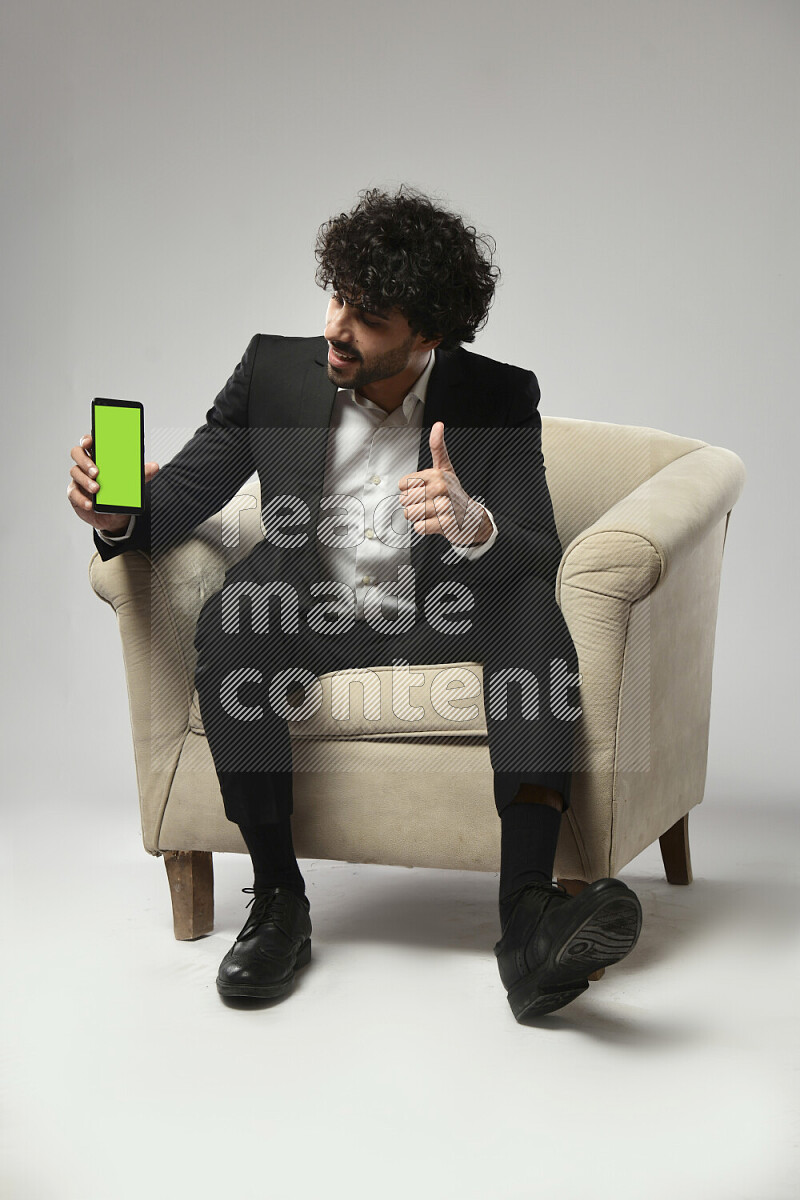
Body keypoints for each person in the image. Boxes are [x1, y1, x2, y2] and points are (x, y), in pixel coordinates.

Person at [68, 186, 642, 1021]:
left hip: (443, 609)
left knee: (529, 608)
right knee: (235, 617)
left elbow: (540, 548)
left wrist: (476, 521)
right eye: (335, 295)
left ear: (429, 333)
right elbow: (178, 501)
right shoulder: (273, 372)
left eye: (368, 315)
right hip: (316, 609)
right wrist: (116, 512)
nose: (337, 326)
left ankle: (529, 919)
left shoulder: (496, 395)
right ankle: (277, 901)